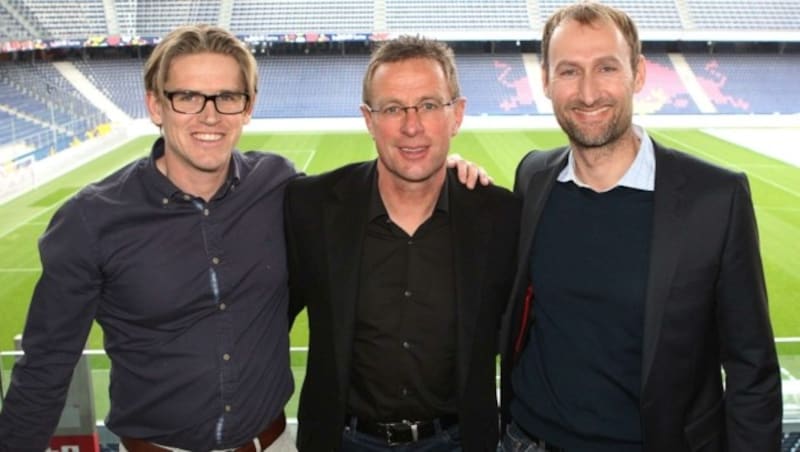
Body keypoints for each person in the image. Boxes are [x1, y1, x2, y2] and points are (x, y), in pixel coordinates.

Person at [0, 24, 299, 452]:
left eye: (227, 97)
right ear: (156, 106)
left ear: (247, 108)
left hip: (272, 444)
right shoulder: (90, 220)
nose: (209, 115)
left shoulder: (279, 183)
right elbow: (45, 367)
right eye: (187, 97)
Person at [499, 2, 782, 451]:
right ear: (546, 82)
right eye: (569, 71)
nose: (588, 93)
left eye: (606, 68)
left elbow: (752, 369)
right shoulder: (533, 176)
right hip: (526, 441)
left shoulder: (716, 199)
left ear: (639, 74)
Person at [285, 36, 520, 451]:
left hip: (458, 441)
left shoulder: (501, 217)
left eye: (429, 105)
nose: (412, 126)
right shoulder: (311, 207)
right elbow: (261, 315)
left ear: (457, 114)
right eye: (393, 108)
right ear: (368, 119)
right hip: (344, 441)